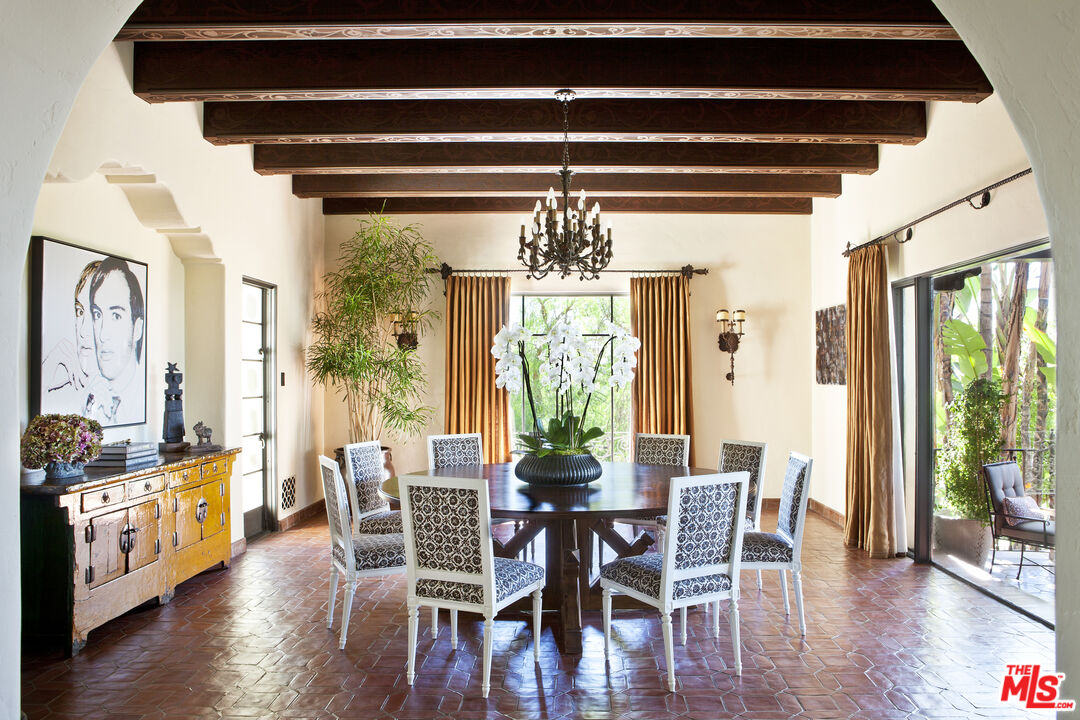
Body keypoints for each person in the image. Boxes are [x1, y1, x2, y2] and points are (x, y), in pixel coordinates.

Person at [86, 256, 145, 425]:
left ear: (137, 328)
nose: (103, 334)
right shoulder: (89, 399)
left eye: (116, 316)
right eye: (97, 315)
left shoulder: (143, 398)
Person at [41, 260, 102, 415]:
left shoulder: (117, 401)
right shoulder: (63, 393)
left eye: (96, 314)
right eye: (80, 312)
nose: (83, 331)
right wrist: (47, 369)